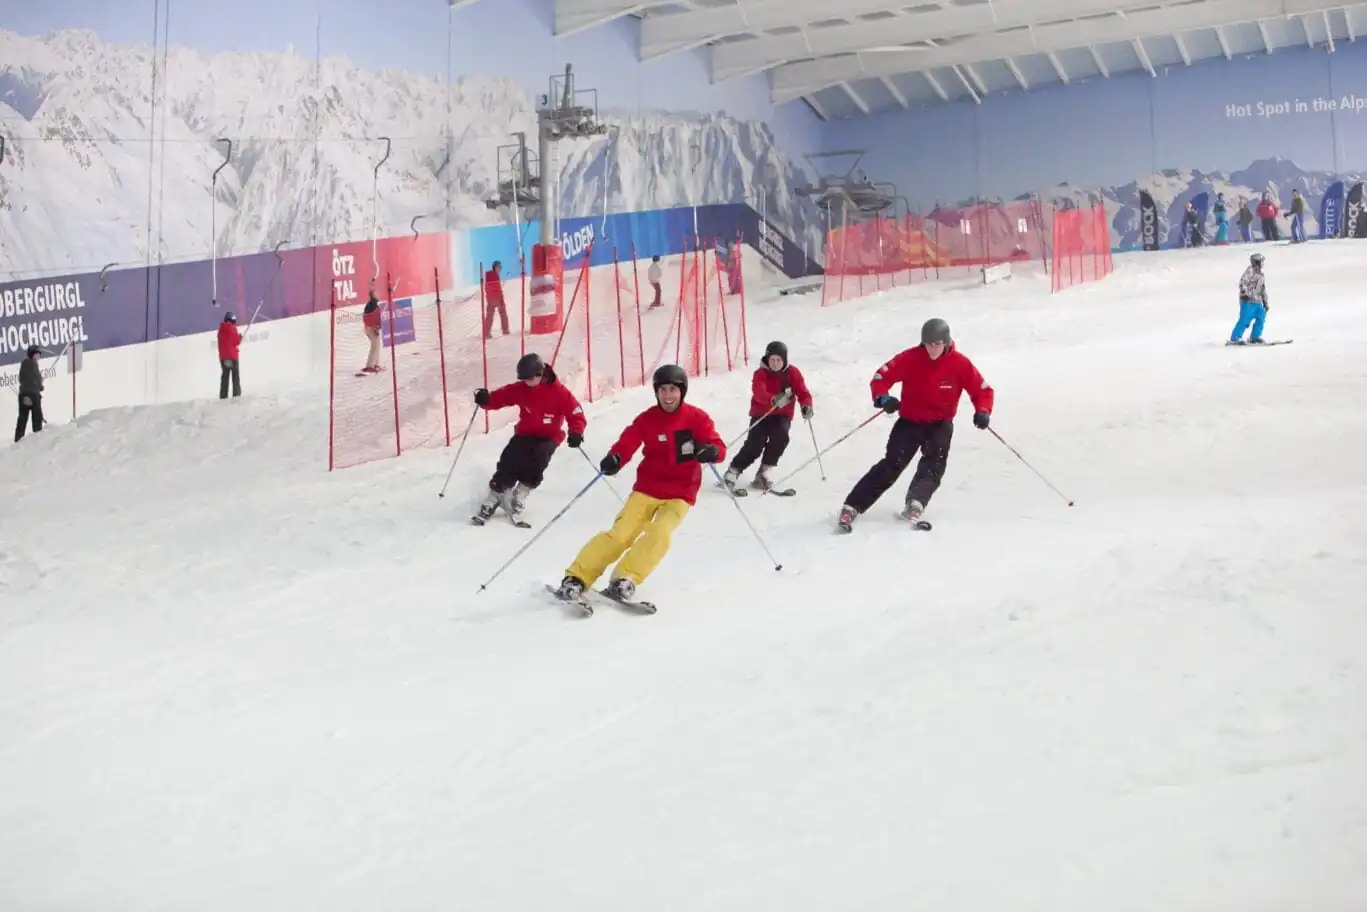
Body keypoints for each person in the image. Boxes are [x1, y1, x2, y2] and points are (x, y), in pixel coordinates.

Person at [554, 364, 725, 603]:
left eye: (673, 390)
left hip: (681, 492)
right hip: (647, 488)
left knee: (660, 533)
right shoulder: (648, 419)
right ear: (656, 392)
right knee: (621, 534)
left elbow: (719, 447)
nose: (667, 396)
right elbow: (628, 441)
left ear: (682, 391)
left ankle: (625, 579)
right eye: (662, 390)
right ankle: (577, 578)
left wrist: (711, 451)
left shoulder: (696, 418)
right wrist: (616, 458)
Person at [837, 318, 994, 532]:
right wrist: (883, 398)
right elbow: (880, 377)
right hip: (910, 421)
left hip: (940, 423)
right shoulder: (910, 358)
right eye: (928, 344)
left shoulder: (960, 364)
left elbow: (983, 390)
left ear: (946, 342)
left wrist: (983, 411)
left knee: (935, 463)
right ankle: (853, 505)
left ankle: (916, 501)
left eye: (937, 344)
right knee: (892, 464)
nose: (932, 349)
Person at [473, 352, 585, 523]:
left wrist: (576, 432)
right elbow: (502, 396)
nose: (526, 382)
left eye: (529, 379)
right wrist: (486, 399)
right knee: (511, 457)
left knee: (539, 457)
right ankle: (496, 493)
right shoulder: (522, 389)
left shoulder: (559, 393)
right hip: (525, 433)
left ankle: (522, 490)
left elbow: (575, 411)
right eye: (523, 379)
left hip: (549, 436)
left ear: (540, 374)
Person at [722, 340, 813, 493]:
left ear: (784, 360)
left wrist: (806, 405)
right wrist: (772, 399)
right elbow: (759, 392)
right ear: (767, 359)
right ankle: (734, 470)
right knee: (755, 444)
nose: (775, 363)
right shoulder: (760, 374)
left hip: (783, 415)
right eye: (772, 360)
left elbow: (803, 392)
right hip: (762, 414)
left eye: (779, 360)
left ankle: (765, 470)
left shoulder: (793, 373)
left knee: (781, 436)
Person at [1230, 253, 1270, 345]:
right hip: (1248, 301)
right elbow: (1242, 282)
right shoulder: (1249, 271)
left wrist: (1265, 301)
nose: (1263, 264)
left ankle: (1255, 336)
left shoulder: (1261, 275)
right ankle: (1235, 337)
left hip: (1257, 301)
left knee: (1261, 316)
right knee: (1245, 319)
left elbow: (1263, 289)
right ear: (1256, 262)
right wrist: (1244, 293)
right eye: (1261, 262)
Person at [15, 345, 44, 442]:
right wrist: (39, 386)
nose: (39, 357)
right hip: (32, 396)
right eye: (37, 354)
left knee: (22, 420)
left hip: (24, 395)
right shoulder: (32, 364)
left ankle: (18, 440)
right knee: (36, 420)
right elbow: (36, 378)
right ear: (33, 355)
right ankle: (37, 441)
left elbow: (21, 379)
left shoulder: (24, 364)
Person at [217, 312, 242, 399]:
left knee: (225, 377)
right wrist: (240, 338)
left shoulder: (220, 329)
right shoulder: (232, 328)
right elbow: (236, 342)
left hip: (223, 358)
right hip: (232, 357)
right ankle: (236, 395)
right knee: (235, 377)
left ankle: (223, 395)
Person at [483, 260, 509, 339]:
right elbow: (496, 288)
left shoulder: (489, 275)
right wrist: (501, 299)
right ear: (496, 267)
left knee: (489, 315)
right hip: (496, 297)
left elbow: (487, 288)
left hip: (490, 298)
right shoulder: (494, 275)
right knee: (503, 313)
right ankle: (505, 330)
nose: (500, 268)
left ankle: (486, 333)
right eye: (499, 267)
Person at [361, 291, 383, 373]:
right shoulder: (373, 304)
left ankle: (375, 364)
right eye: (377, 294)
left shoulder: (371, 304)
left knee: (376, 346)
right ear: (374, 296)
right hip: (371, 328)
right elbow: (371, 317)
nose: (379, 294)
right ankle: (370, 366)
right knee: (375, 347)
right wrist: (375, 328)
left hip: (369, 327)